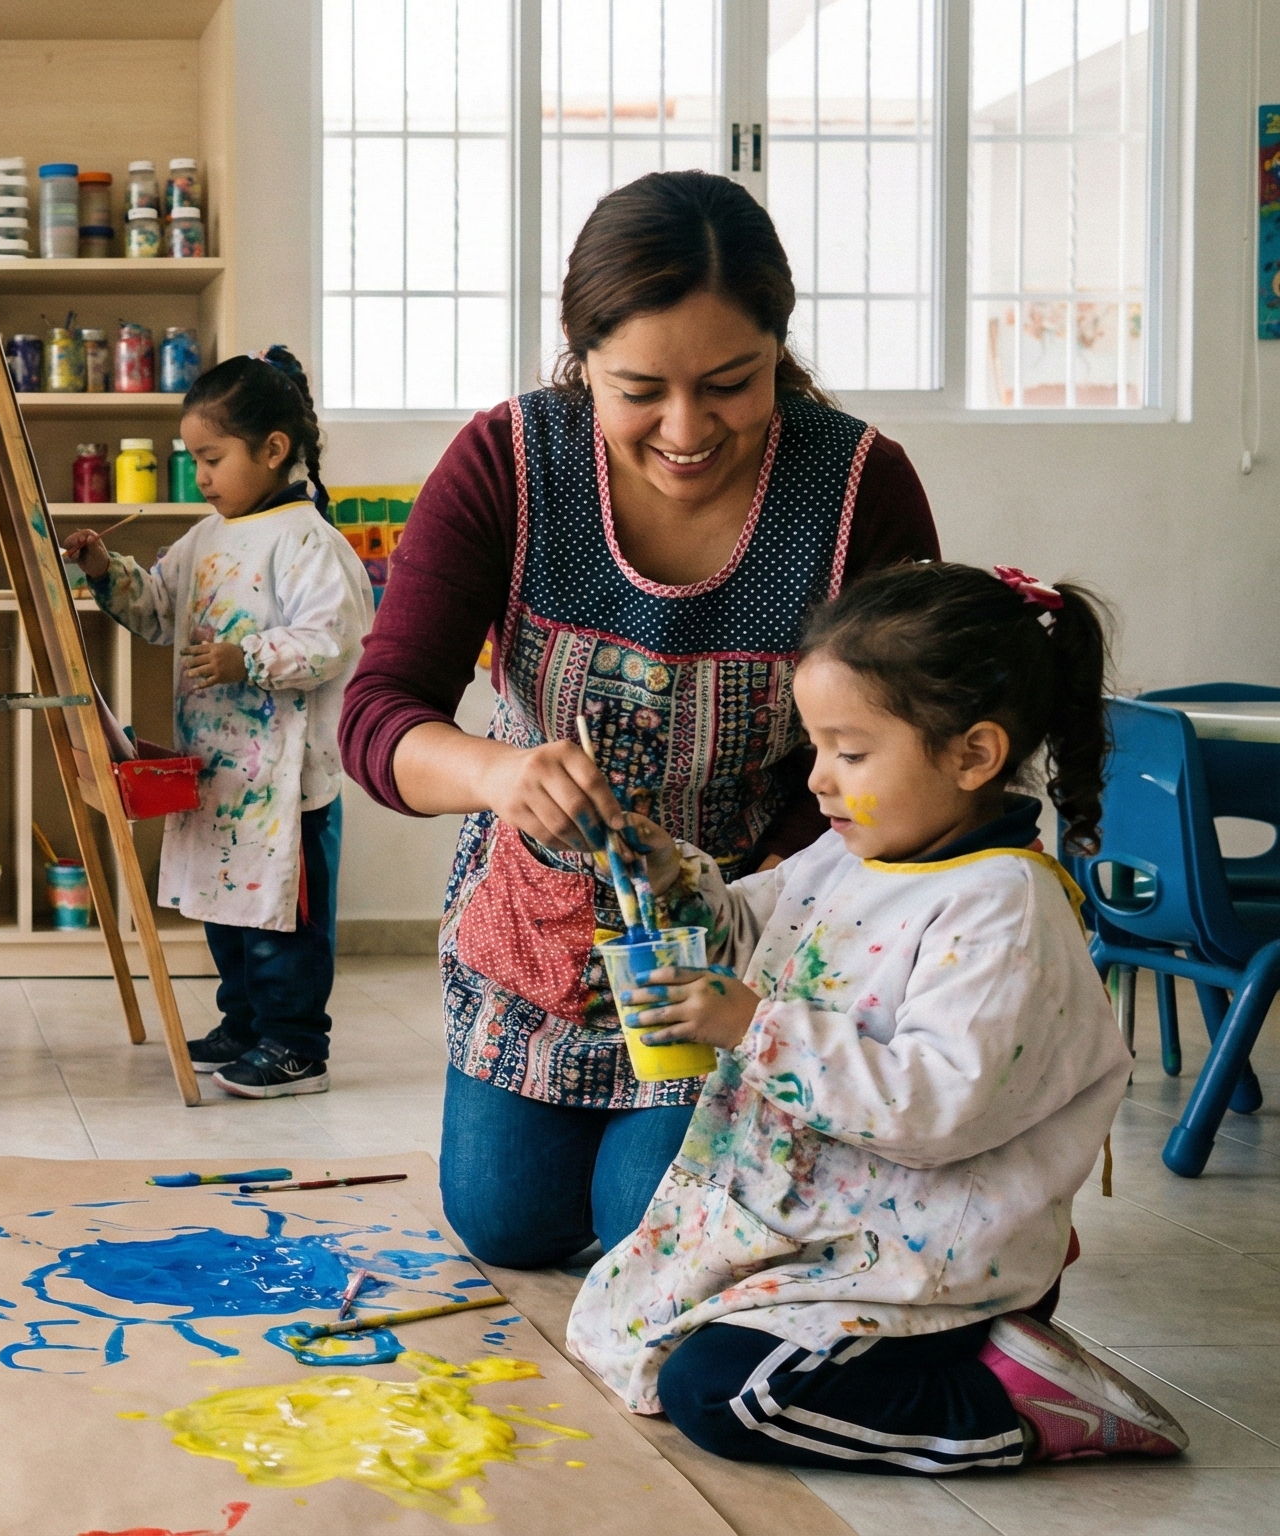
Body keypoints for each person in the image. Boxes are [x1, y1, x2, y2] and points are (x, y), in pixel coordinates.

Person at [334, 170, 942, 1264]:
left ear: (778, 351)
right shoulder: (509, 463)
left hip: (752, 936)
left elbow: (910, 743)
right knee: (507, 1225)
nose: (683, 429)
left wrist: (760, 914)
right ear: (580, 362)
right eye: (637, 390)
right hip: (540, 925)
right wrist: (493, 776)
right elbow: (378, 718)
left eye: (728, 384)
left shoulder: (856, 486)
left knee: (643, 1229)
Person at [566, 561, 1184, 1471]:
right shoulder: (853, 854)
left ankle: (1014, 1401)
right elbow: (754, 930)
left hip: (934, 1252)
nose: (819, 781)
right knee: (623, 1315)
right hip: (831, 1221)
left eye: (849, 753)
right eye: (817, 747)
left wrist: (750, 1029)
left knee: (727, 1393)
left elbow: (934, 1111)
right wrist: (673, 878)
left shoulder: (1001, 906)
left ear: (973, 754)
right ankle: (976, 1359)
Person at [64, 347, 374, 1098]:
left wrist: (248, 658)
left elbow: (335, 640)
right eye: (191, 460)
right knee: (225, 909)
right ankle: (244, 1023)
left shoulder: (308, 540)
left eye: (212, 458)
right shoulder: (206, 536)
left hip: (285, 782)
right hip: (219, 771)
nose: (200, 476)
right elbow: (159, 612)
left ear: (273, 450)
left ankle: (296, 1044)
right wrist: (108, 570)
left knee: (283, 923)